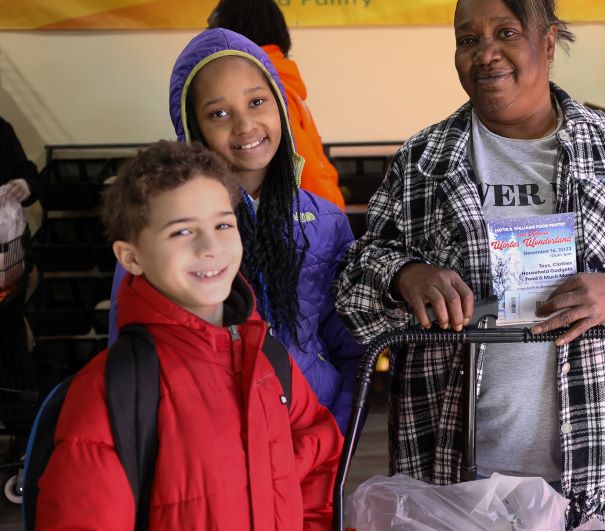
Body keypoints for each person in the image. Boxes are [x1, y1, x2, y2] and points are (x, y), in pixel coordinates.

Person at [335, 0, 605, 530]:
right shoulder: (424, 160)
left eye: (505, 33)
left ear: (548, 40)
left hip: (599, 469)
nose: (484, 52)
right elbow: (353, 283)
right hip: (456, 475)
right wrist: (404, 274)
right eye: (468, 39)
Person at [37, 141, 341, 529]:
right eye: (182, 231)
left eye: (223, 224)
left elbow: (318, 454)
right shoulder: (112, 390)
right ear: (131, 257)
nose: (211, 246)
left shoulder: (268, 358)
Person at [109, 28, 361, 434]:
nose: (246, 125)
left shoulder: (328, 221)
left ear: (279, 106)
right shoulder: (165, 228)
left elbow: (350, 348)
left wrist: (335, 433)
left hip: (314, 437)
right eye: (219, 114)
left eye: (257, 102)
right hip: (211, 440)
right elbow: (132, 345)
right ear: (194, 128)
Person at [208, 0, 346, 209]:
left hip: (309, 225)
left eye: (213, 28)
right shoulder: (279, 79)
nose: (206, 39)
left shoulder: (263, 86)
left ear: (235, 31)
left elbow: (303, 169)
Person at [0, 116, 41, 460]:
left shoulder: (0, 129)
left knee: (12, 352)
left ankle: (25, 442)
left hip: (5, 270)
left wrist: (24, 185)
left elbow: (29, 175)